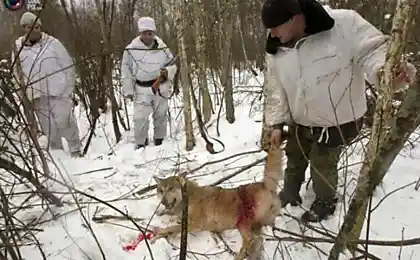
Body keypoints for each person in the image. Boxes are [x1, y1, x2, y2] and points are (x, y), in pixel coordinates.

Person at [261, 0, 416, 222]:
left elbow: (372, 50)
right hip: (301, 118)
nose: (271, 33)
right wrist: (276, 124)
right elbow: (275, 88)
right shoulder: (276, 45)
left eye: (275, 27)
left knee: (322, 163)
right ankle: (289, 194)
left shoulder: (343, 24)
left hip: (338, 119)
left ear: (294, 18)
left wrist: (387, 72)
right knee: (295, 156)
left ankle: (325, 202)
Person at [13, 12, 82, 158]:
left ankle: (76, 149)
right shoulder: (18, 48)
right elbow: (16, 74)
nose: (35, 30)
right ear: (24, 28)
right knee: (49, 128)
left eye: (37, 27)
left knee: (66, 121)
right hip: (37, 95)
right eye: (31, 27)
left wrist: (68, 88)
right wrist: (23, 94)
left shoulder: (53, 43)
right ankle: (59, 154)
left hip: (58, 91)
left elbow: (68, 65)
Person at [121, 16, 177, 150]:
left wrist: (167, 72)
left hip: (160, 87)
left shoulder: (163, 48)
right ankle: (141, 143)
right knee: (140, 118)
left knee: (161, 115)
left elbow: (173, 65)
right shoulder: (131, 50)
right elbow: (126, 70)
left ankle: (160, 141)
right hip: (141, 88)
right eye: (145, 33)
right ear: (140, 33)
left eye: (150, 33)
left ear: (154, 33)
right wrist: (128, 90)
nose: (147, 36)